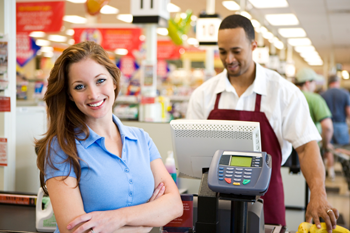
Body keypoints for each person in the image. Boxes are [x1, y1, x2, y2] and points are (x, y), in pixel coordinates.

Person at [186, 14, 339, 232]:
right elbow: (192, 152)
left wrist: (318, 194)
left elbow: (306, 148)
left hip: (267, 203)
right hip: (213, 205)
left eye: (236, 51)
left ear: (253, 46)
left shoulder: (283, 93)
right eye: (222, 51)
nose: (228, 59)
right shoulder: (203, 95)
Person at [35, 41, 183, 233]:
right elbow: (76, 230)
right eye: (80, 87)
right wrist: (145, 224)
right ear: (70, 95)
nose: (93, 94)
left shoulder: (141, 139)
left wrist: (119, 218)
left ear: (114, 81)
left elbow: (174, 204)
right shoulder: (62, 147)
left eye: (100, 81)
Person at [294, 68, 335, 180]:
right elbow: (327, 127)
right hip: (309, 149)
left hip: (288, 151)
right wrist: (326, 145)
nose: (315, 86)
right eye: (314, 82)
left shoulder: (288, 96)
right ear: (308, 82)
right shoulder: (315, 99)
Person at [321, 75, 350, 146]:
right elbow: (348, 112)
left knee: (328, 148)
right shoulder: (345, 94)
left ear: (329, 83)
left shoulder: (322, 95)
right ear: (338, 82)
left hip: (326, 125)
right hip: (341, 125)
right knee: (343, 148)